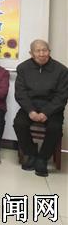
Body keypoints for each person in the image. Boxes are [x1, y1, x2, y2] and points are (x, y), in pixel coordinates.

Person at [13, 39, 68, 177]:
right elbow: (20, 93)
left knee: (55, 128)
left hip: (52, 108)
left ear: (49, 51)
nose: (42, 54)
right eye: (38, 51)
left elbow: (62, 96)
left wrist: (46, 112)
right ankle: (31, 153)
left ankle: (42, 158)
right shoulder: (23, 68)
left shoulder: (61, 70)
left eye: (45, 50)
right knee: (19, 123)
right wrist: (30, 111)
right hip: (30, 106)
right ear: (31, 53)